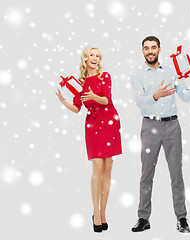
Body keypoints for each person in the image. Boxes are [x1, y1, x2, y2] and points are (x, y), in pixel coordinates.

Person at [131, 36, 190, 233]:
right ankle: (143, 218)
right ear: (142, 51)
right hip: (150, 126)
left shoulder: (171, 72)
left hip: (172, 126)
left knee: (176, 174)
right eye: (146, 48)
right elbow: (140, 102)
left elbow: (184, 96)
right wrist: (156, 95)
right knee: (146, 174)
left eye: (153, 47)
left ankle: (181, 218)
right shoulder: (137, 75)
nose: (150, 51)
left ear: (159, 50)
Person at [56, 46, 122, 233]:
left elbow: (106, 100)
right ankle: (95, 212)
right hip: (93, 125)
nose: (95, 58)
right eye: (92, 55)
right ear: (85, 59)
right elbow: (77, 108)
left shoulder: (105, 76)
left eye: (98, 55)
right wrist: (64, 102)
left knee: (108, 168)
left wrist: (94, 96)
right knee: (97, 168)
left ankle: (103, 213)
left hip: (110, 121)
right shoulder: (79, 83)